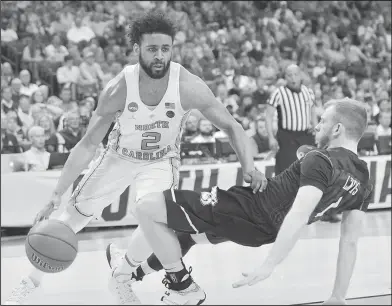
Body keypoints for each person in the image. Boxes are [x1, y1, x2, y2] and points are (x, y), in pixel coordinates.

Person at [5, 10, 267, 305]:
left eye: (165, 49)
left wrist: (249, 168)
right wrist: (57, 193)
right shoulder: (119, 88)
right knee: (67, 221)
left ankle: (120, 277)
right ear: (137, 50)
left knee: (154, 221)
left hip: (161, 160)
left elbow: (232, 125)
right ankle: (31, 281)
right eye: (152, 49)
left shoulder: (187, 85)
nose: (159, 56)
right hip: (118, 157)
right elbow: (88, 143)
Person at [106, 98, 373, 305]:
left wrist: (270, 265)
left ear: (337, 128)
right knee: (185, 235)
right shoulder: (363, 179)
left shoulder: (320, 159)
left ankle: (182, 288)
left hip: (249, 209)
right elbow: (349, 242)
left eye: (323, 121)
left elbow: (299, 213)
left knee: (146, 207)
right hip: (263, 231)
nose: (317, 125)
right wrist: (339, 296)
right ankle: (132, 273)